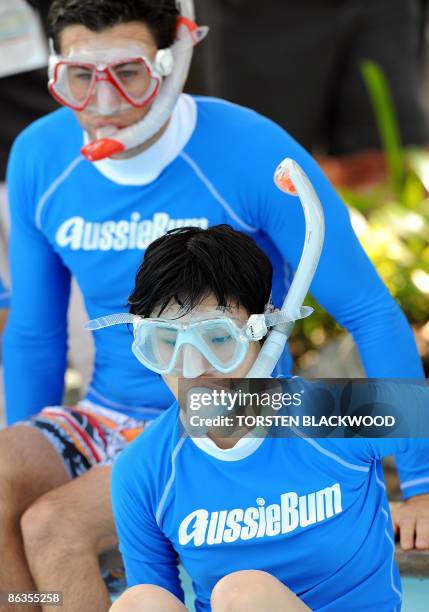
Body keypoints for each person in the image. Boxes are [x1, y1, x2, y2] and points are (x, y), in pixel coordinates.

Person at [1, 1, 428, 609]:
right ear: (54, 70)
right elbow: (36, 333)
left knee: (52, 526)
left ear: (174, 61)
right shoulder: (40, 156)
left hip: (233, 408)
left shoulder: (250, 150)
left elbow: (367, 308)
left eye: (129, 73)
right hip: (107, 416)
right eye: (79, 77)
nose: (104, 104)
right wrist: (31, 445)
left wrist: (421, 482)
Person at [108, 225, 429, 612]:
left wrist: (422, 488)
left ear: (264, 335)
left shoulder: (333, 412)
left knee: (244, 593)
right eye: (168, 343)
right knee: (140, 602)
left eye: (219, 339)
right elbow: (157, 595)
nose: (192, 369)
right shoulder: (143, 470)